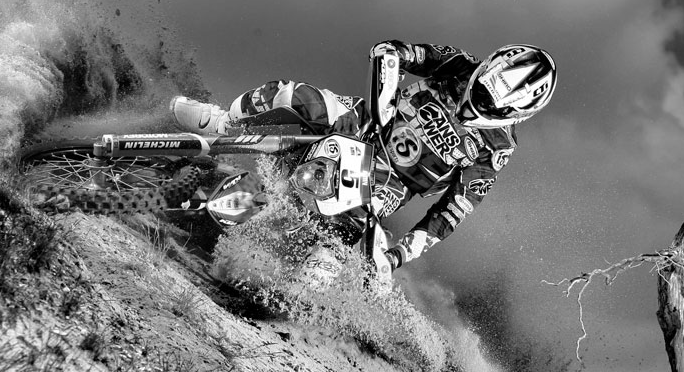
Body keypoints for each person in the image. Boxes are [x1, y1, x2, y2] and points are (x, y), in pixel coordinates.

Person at [170, 41, 557, 275]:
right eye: (484, 84)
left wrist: (398, 256)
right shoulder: (458, 63)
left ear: (517, 111)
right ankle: (223, 125)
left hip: (385, 186)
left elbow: (450, 213)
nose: (479, 97)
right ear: (488, 66)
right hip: (362, 120)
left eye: (491, 100)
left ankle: (278, 279)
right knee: (293, 95)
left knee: (328, 258)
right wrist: (383, 104)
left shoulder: (496, 150)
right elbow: (391, 51)